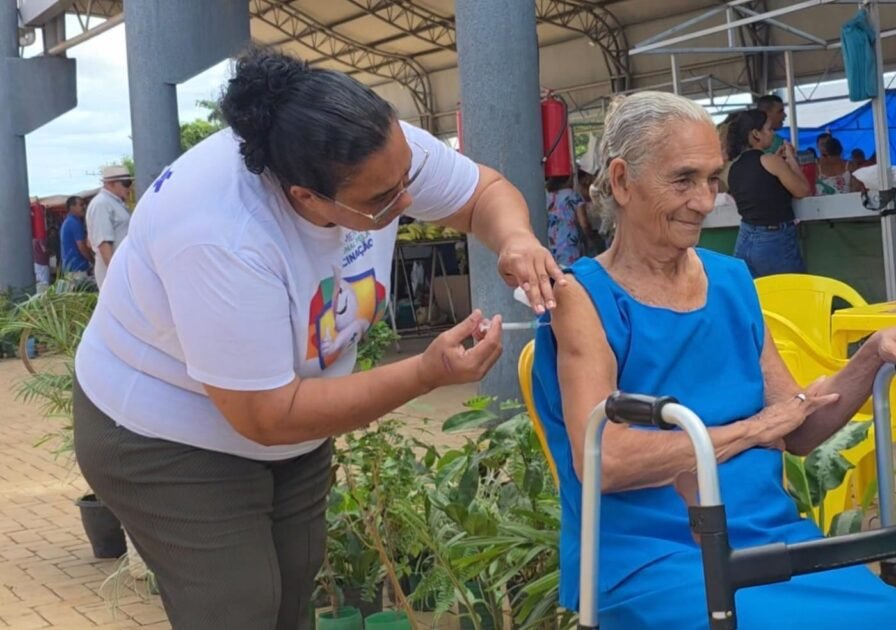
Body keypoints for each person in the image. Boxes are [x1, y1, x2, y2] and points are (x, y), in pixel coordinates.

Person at [72, 47, 561, 630]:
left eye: (407, 178)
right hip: (161, 428)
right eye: (382, 200)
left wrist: (516, 239)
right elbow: (266, 414)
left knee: (293, 587)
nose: (407, 201)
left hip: (289, 421)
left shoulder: (371, 147)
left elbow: (483, 194)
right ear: (306, 196)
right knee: (237, 605)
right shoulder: (221, 233)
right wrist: (424, 372)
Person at [531, 90, 896, 629]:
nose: (704, 200)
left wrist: (874, 354)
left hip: (766, 535)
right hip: (650, 557)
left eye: (712, 179)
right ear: (621, 181)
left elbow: (796, 428)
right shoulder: (583, 298)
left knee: (892, 619)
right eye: (683, 180)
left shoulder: (732, 280)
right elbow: (607, 461)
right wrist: (754, 430)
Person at [727, 109, 810, 278]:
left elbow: (762, 188)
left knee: (754, 291)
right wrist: (791, 161)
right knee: (791, 289)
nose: (773, 133)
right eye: (769, 129)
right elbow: (802, 190)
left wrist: (778, 162)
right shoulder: (771, 161)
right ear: (756, 134)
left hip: (745, 236)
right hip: (774, 238)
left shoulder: (734, 166)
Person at [85, 165, 133, 288]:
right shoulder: (102, 204)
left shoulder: (114, 202)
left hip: (120, 265)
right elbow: (104, 242)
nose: (129, 187)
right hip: (112, 267)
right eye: (126, 183)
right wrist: (115, 273)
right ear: (111, 183)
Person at [546, 175, 586, 267]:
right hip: (569, 240)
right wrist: (590, 237)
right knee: (569, 270)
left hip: (551, 238)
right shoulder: (573, 195)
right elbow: (583, 222)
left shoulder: (546, 195)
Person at [60, 195, 93, 283]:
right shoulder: (73, 222)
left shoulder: (69, 221)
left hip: (71, 268)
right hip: (77, 270)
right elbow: (81, 247)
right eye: (81, 205)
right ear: (72, 207)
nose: (84, 207)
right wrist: (92, 260)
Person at [30, 197, 50, 293]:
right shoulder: (41, 237)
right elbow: (44, 249)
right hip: (42, 263)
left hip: (36, 262)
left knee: (39, 282)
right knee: (44, 283)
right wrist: (49, 252)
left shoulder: (33, 238)